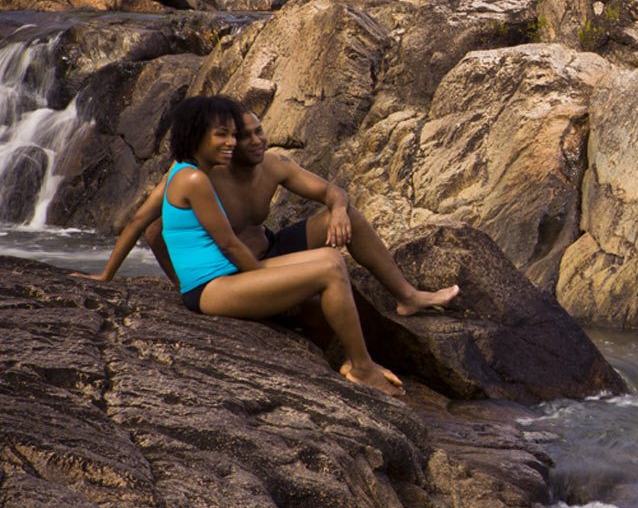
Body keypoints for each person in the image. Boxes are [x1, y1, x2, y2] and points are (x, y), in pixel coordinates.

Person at [80, 96, 429, 396]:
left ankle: (355, 356)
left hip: (224, 275)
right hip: (212, 286)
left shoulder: (189, 172)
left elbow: (139, 222)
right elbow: (226, 244)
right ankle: (362, 368)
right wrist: (257, 276)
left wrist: (107, 277)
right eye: (224, 135)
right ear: (197, 136)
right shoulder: (195, 179)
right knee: (326, 269)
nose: (233, 142)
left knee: (331, 259)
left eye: (236, 134)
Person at [88, 105, 458, 316]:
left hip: (273, 251)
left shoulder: (276, 165)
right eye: (240, 135)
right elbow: (147, 226)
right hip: (235, 273)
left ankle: (407, 295)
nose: (253, 141)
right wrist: (117, 277)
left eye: (257, 132)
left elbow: (332, 191)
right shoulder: (202, 175)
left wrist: (341, 210)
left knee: (348, 218)